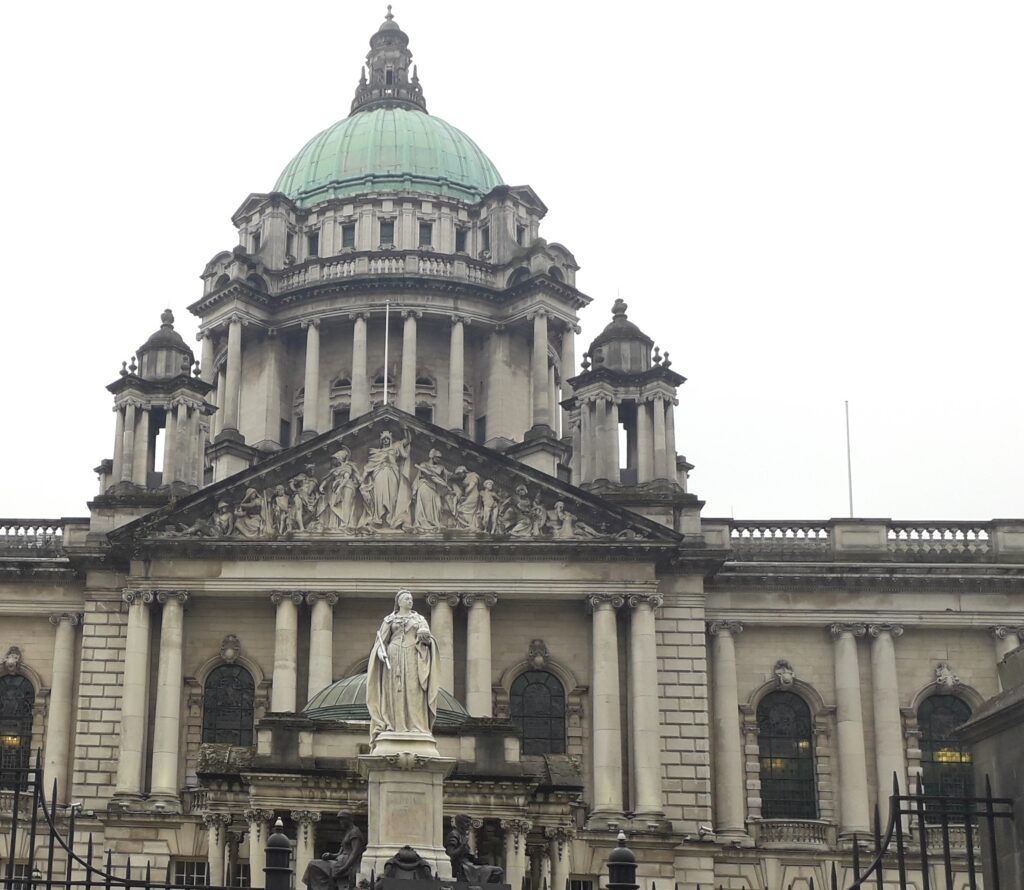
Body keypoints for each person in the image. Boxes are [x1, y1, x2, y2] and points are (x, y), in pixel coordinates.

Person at [366, 590, 440, 744]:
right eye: (406, 598)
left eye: (411, 599)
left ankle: (416, 726)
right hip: (393, 657)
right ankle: (393, 725)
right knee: (394, 691)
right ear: (399, 602)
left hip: (413, 655)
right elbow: (381, 641)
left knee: (414, 690)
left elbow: (428, 639)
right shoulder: (389, 619)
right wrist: (380, 652)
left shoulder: (420, 619)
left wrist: (427, 640)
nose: (410, 601)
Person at [361, 429, 412, 528]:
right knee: (378, 495)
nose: (385, 441)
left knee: (393, 497)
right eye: (383, 439)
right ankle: (377, 518)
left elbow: (408, 440)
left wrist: (405, 428)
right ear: (381, 441)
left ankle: (393, 518)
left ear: (390, 440)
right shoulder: (377, 453)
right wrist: (361, 479)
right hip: (379, 474)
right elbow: (368, 467)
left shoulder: (395, 447)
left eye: (387, 439)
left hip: (392, 474)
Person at [302, 811, 365, 890]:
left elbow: (355, 853)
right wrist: (330, 855)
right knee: (313, 866)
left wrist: (344, 868)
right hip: (340, 862)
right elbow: (339, 853)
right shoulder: (348, 832)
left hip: (345, 865)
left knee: (313, 865)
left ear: (349, 819)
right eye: (340, 820)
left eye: (342, 819)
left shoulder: (355, 832)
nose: (340, 822)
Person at [445, 814, 504, 885]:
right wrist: (462, 846)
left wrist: (478, 860)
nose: (468, 824)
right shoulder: (454, 835)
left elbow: (467, 856)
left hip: (469, 865)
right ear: (459, 823)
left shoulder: (463, 835)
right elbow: (450, 855)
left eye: (469, 822)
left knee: (498, 871)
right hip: (463, 867)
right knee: (496, 871)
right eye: (466, 822)